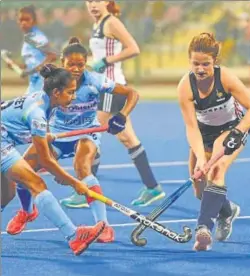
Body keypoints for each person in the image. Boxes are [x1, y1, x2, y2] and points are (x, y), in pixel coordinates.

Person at [7, 37, 140, 242]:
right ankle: (27, 212)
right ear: (63, 63)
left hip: (86, 132)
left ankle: (103, 225)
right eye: (71, 64)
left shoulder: (96, 80)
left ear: (86, 63)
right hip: (56, 134)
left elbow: (132, 93)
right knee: (25, 169)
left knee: (82, 167)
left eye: (80, 64)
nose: (76, 69)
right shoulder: (54, 83)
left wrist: (121, 116)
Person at [59, 1, 165, 209]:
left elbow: (133, 48)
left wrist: (107, 61)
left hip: (111, 89)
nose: (93, 5)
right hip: (109, 87)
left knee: (91, 135)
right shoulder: (98, 24)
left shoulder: (111, 22)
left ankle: (85, 191)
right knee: (128, 139)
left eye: (98, 0)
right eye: (89, 1)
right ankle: (153, 187)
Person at [1, 64, 105, 255]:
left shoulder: (45, 101)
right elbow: (46, 160)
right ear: (56, 92)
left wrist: (44, 136)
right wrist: (74, 183)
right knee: (37, 183)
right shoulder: (38, 114)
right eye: (70, 92)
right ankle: (74, 236)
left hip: (5, 140)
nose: (74, 97)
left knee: (5, 195)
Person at [178, 32, 250, 251]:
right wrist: (197, 157)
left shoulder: (225, 77)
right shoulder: (185, 86)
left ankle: (203, 229)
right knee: (200, 190)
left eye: (206, 64)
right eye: (196, 63)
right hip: (203, 134)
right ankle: (227, 211)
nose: (200, 69)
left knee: (217, 169)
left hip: (231, 129)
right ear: (190, 61)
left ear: (214, 61)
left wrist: (239, 130)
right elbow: (191, 127)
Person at [5, 5, 57, 94]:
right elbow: (32, 64)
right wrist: (15, 66)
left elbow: (52, 55)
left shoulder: (36, 37)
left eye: (27, 19)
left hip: (43, 84)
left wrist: (30, 71)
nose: (23, 23)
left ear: (34, 21)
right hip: (34, 85)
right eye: (21, 20)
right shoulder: (28, 38)